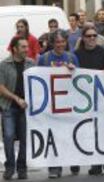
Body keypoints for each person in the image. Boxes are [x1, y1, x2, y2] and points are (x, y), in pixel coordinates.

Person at [37, 30, 80, 179]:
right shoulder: (44, 59)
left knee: (69, 133)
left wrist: (74, 71)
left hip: (68, 102)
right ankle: (55, 167)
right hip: (51, 103)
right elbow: (38, 80)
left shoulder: (72, 57)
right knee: (53, 135)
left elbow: (80, 78)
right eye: (57, 42)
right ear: (52, 43)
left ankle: (73, 160)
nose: (60, 45)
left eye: (63, 42)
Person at [74, 26, 104, 175]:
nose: (92, 38)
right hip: (85, 100)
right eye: (89, 36)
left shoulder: (103, 52)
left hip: (102, 97)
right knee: (90, 131)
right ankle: (96, 164)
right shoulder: (76, 54)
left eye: (94, 36)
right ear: (83, 38)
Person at [0, 36, 35, 180]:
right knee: (8, 137)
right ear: (15, 48)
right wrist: (16, 99)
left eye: (27, 47)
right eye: (23, 47)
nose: (27, 50)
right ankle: (9, 167)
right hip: (9, 107)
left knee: (24, 139)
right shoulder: (4, 65)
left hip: (26, 108)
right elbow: (1, 87)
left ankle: (22, 168)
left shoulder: (31, 63)